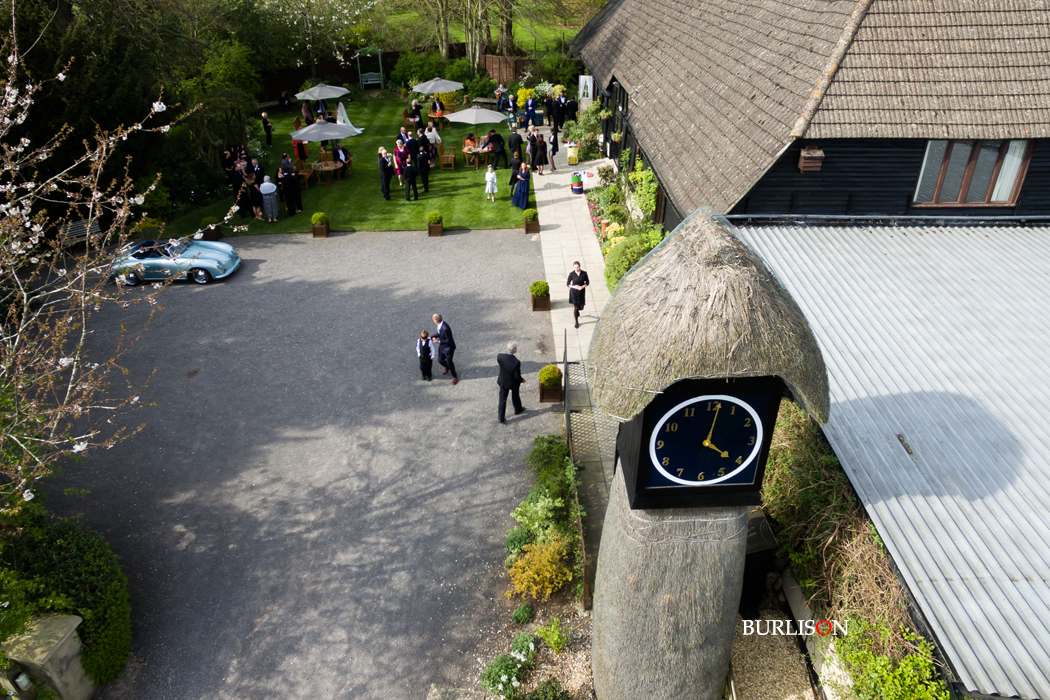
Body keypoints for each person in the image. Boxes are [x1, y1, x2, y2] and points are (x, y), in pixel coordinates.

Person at [496, 342, 526, 423]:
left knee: (502, 400)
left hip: (503, 381)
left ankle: (501, 417)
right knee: (515, 396)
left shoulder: (500, 357)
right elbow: (517, 376)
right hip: (513, 383)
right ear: (515, 351)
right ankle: (518, 409)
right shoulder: (516, 362)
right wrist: (522, 380)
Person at [432, 314, 458, 385]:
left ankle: (454, 376)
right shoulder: (440, 325)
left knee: (450, 362)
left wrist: (438, 341)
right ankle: (447, 367)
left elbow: (449, 340)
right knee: (440, 360)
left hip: (448, 348)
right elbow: (439, 333)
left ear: (436, 321)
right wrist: (432, 337)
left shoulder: (445, 328)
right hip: (442, 347)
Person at [567, 261, 590, 328]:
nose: (576, 269)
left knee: (581, 307)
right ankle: (576, 321)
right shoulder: (572, 274)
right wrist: (574, 287)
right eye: (575, 267)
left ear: (579, 267)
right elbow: (568, 284)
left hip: (581, 292)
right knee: (575, 307)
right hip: (574, 292)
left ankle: (577, 312)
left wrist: (582, 287)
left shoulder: (584, 273)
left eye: (577, 267)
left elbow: (587, 282)